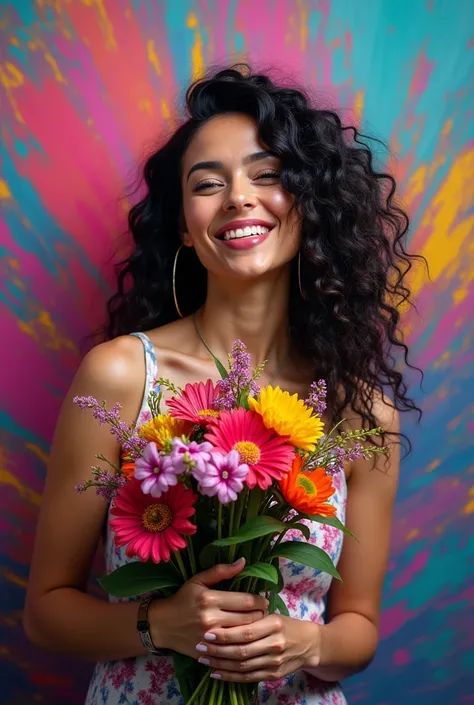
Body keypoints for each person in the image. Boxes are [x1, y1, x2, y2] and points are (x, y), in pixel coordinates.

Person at [24, 65, 420, 705]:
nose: (239, 197)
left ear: (309, 201)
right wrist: (159, 626)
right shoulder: (122, 376)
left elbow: (359, 630)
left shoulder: (359, 411)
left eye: (267, 175)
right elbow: (46, 612)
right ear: (184, 224)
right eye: (208, 184)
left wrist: (308, 643)